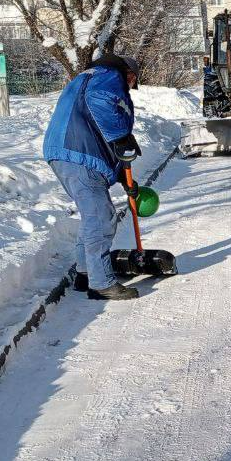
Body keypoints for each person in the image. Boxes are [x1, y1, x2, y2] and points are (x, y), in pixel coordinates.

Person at [43, 54, 143, 300]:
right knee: (101, 217)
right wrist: (122, 136)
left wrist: (122, 175)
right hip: (78, 154)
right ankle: (101, 283)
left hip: (70, 153)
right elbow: (99, 102)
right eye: (132, 80)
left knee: (92, 217)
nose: (130, 85)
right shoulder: (109, 76)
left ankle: (85, 273)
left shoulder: (86, 77)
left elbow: (94, 126)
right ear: (128, 73)